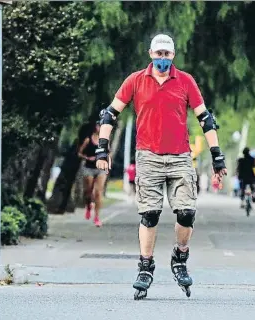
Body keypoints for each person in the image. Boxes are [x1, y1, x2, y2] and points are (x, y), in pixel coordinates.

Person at [95, 34, 227, 300]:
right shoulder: (135, 80)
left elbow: (206, 119)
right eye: (159, 54)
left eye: (167, 54)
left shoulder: (186, 81)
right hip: (148, 156)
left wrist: (217, 156)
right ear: (150, 54)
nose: (163, 59)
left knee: (187, 212)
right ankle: (145, 267)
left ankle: (180, 257)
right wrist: (102, 147)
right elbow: (110, 113)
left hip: (180, 157)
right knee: (150, 214)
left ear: (173, 56)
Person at [77, 121, 107, 227]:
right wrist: (87, 158)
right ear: (96, 127)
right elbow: (79, 153)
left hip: (101, 169)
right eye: (99, 126)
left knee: (98, 193)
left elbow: (108, 153)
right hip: (88, 168)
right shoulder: (88, 139)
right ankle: (88, 205)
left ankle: (97, 217)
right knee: (88, 191)